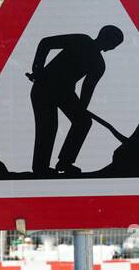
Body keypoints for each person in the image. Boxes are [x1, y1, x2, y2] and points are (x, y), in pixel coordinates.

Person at [25, 24, 124, 175]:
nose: (113, 48)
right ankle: (41, 168)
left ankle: (65, 162)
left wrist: (81, 109)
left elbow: (87, 91)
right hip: (44, 87)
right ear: (108, 40)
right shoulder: (81, 41)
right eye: (114, 44)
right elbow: (46, 43)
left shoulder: (98, 64)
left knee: (83, 122)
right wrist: (37, 69)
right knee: (48, 127)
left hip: (64, 93)